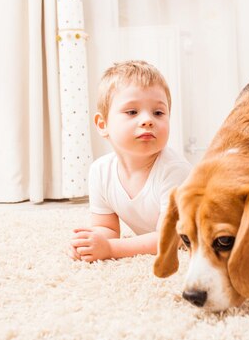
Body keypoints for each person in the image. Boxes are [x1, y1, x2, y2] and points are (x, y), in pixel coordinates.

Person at [68, 60, 191, 262]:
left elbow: (170, 238)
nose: (147, 120)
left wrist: (111, 249)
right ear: (103, 124)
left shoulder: (174, 170)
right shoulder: (100, 171)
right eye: (132, 112)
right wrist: (90, 244)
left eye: (158, 112)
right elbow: (106, 228)